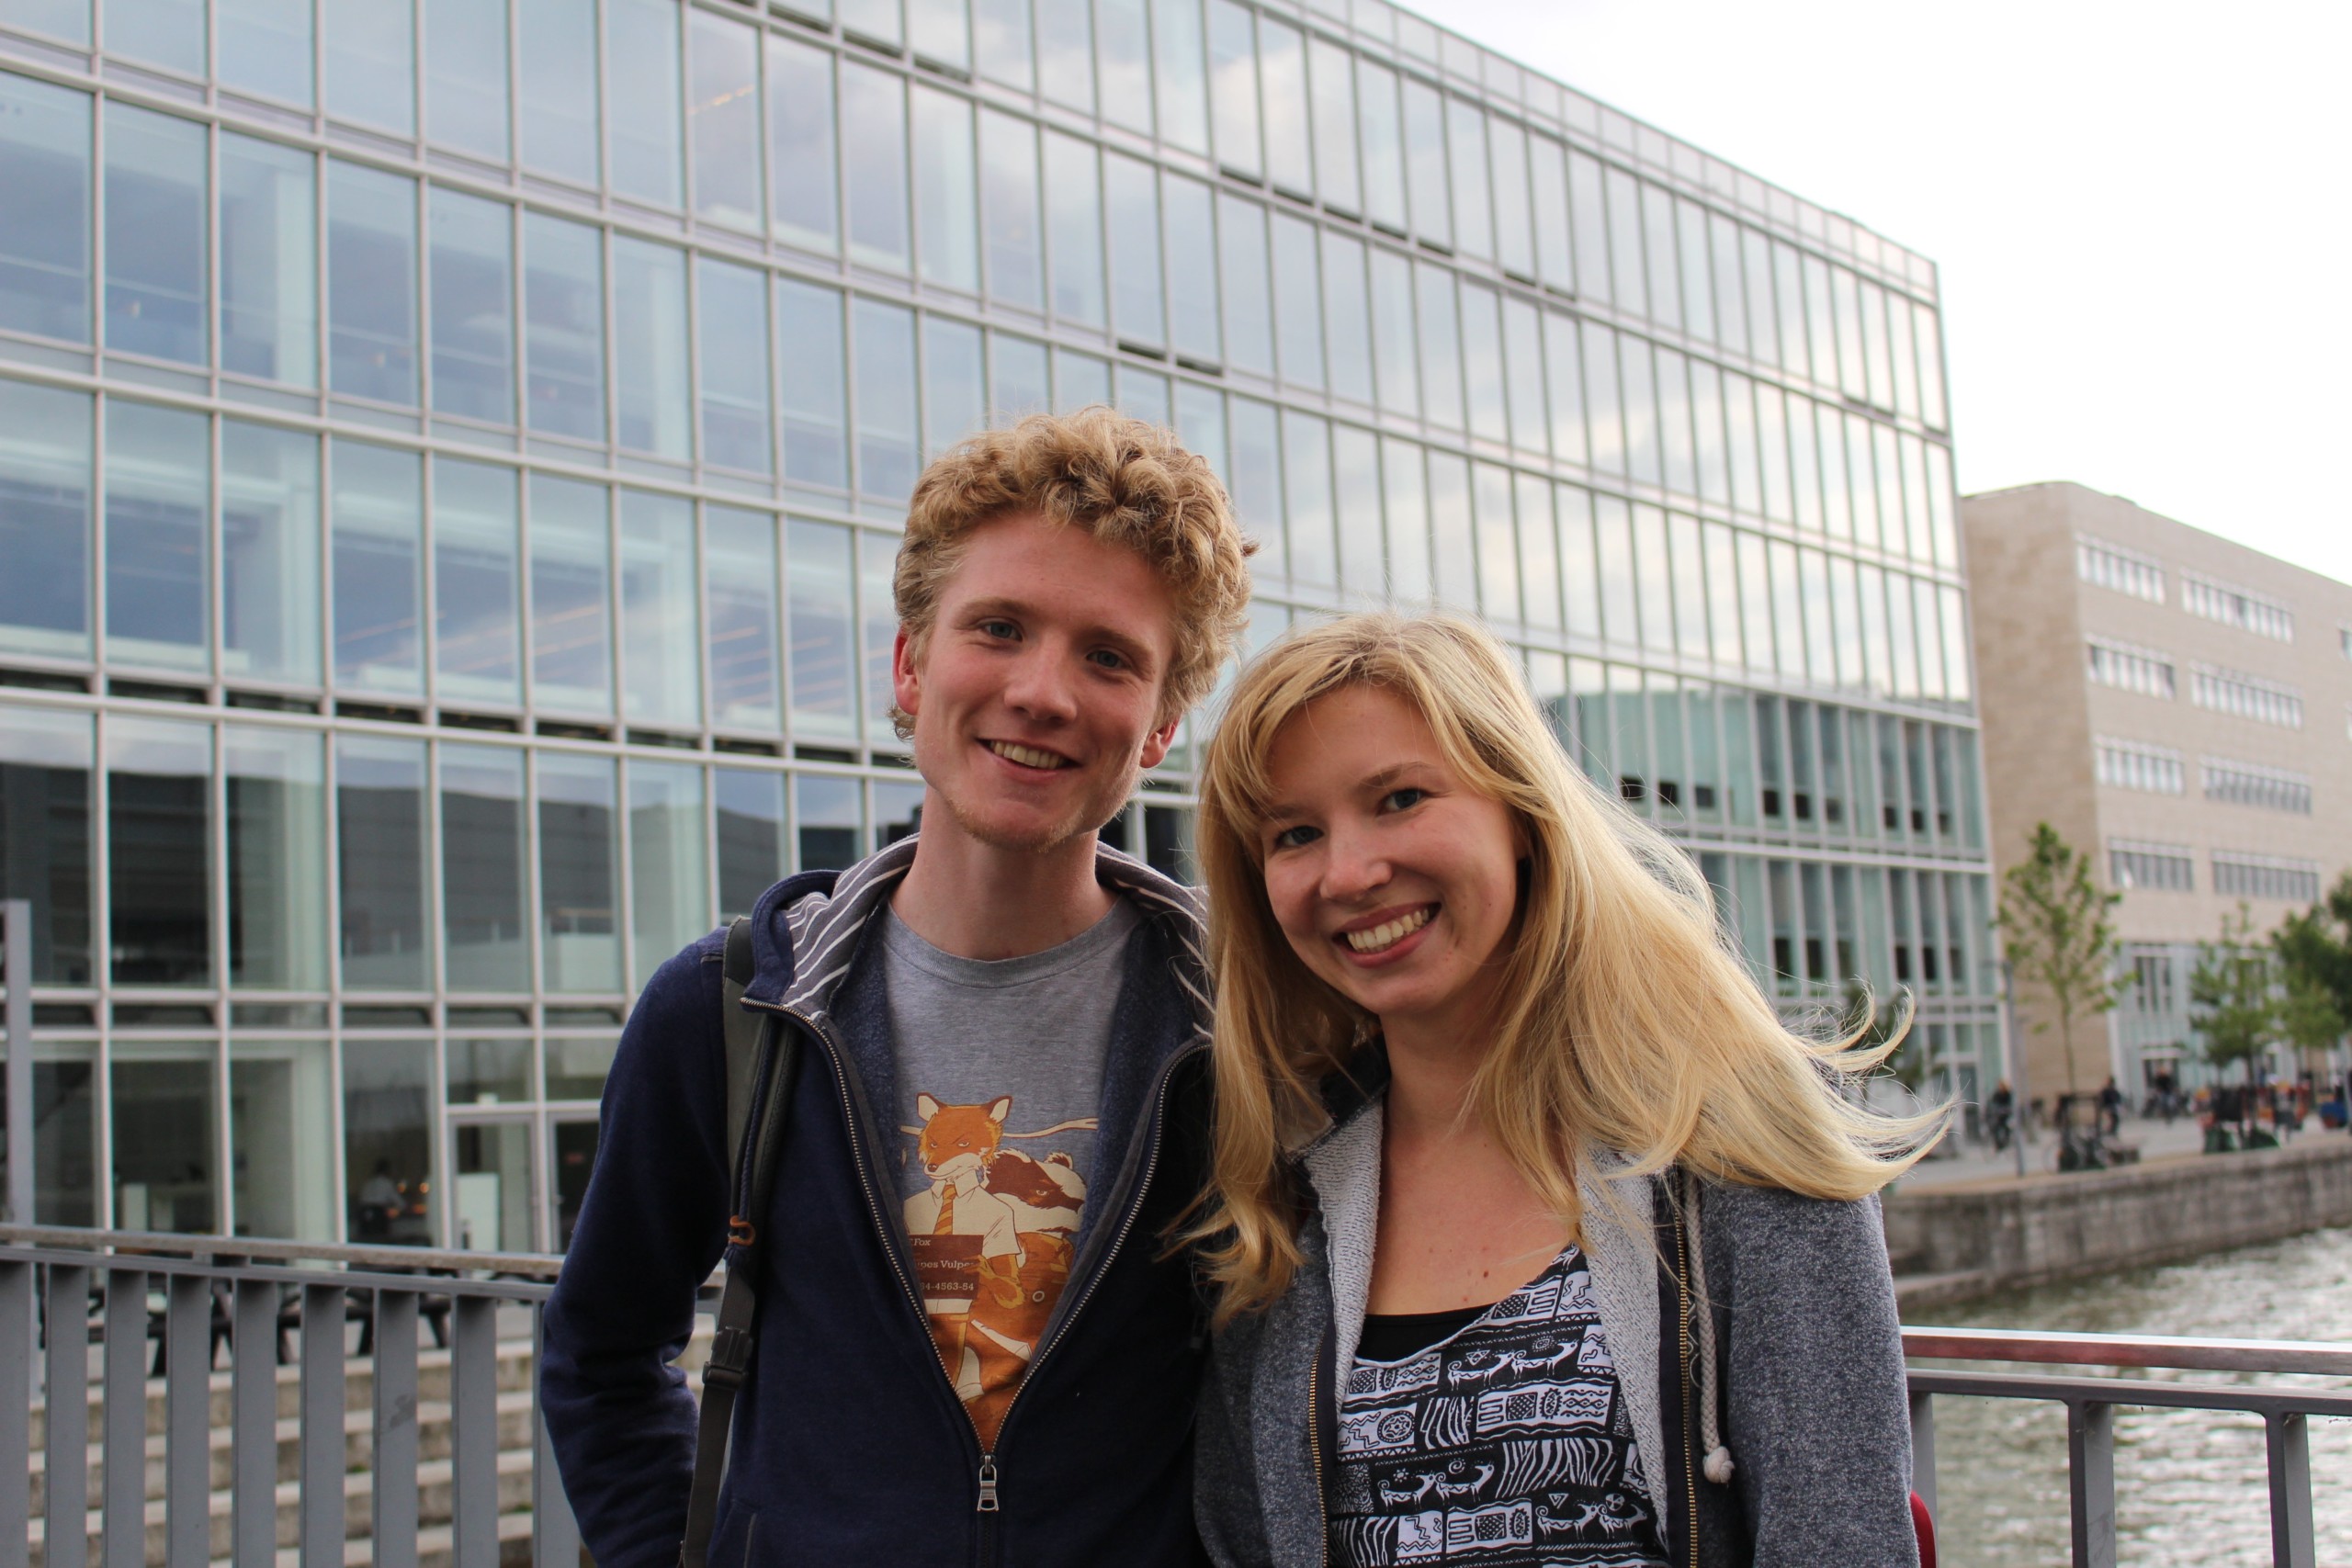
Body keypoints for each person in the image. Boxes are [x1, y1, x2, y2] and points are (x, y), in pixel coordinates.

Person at [541, 409, 1253, 1567]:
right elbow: (601, 1351)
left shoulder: (1242, 1028)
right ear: (910, 663)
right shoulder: (726, 1012)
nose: (1043, 692)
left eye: (1109, 655)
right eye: (1000, 628)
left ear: (1162, 724)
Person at [1188, 615, 1935, 1568]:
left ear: (1522, 815)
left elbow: (1841, 1540)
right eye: (1294, 833)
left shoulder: (1734, 1146)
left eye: (1400, 798)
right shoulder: (1278, 1204)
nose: (1350, 872)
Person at [1987, 1078, 2016, 1153]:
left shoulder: (2008, 1094)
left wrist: (2006, 1109)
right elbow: (1993, 1103)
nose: (2001, 1087)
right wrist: (1994, 1109)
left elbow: (2011, 1104)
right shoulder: (1997, 1094)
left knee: (2007, 1128)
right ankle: (1998, 1145)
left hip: (2007, 1116)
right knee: (1995, 1128)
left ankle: (2006, 1142)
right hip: (1999, 1116)